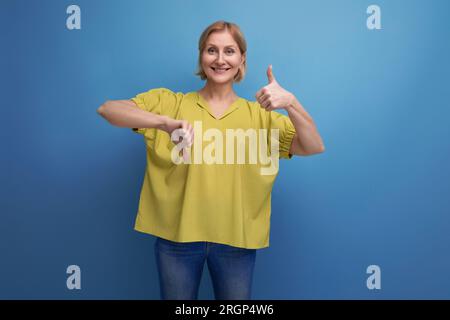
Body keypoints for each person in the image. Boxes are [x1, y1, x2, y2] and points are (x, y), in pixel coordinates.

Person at [97, 20, 325, 300]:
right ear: (201, 56)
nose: (220, 59)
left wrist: (291, 102)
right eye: (211, 50)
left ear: (242, 59)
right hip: (177, 239)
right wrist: (164, 123)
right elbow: (108, 109)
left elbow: (313, 145)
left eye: (229, 51)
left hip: (236, 242)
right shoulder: (171, 104)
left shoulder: (261, 117)